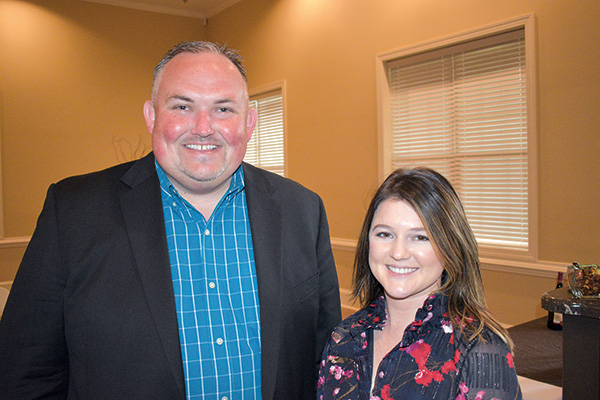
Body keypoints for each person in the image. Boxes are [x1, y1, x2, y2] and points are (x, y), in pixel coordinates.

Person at [0, 41, 341, 400]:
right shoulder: (73, 212)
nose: (203, 128)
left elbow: (329, 361)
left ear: (250, 121)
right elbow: (25, 373)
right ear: (151, 115)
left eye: (223, 109)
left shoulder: (303, 210)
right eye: (182, 106)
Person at [317, 167, 522, 400]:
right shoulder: (344, 338)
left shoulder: (480, 349)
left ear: (450, 247)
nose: (399, 252)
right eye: (385, 234)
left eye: (420, 237)